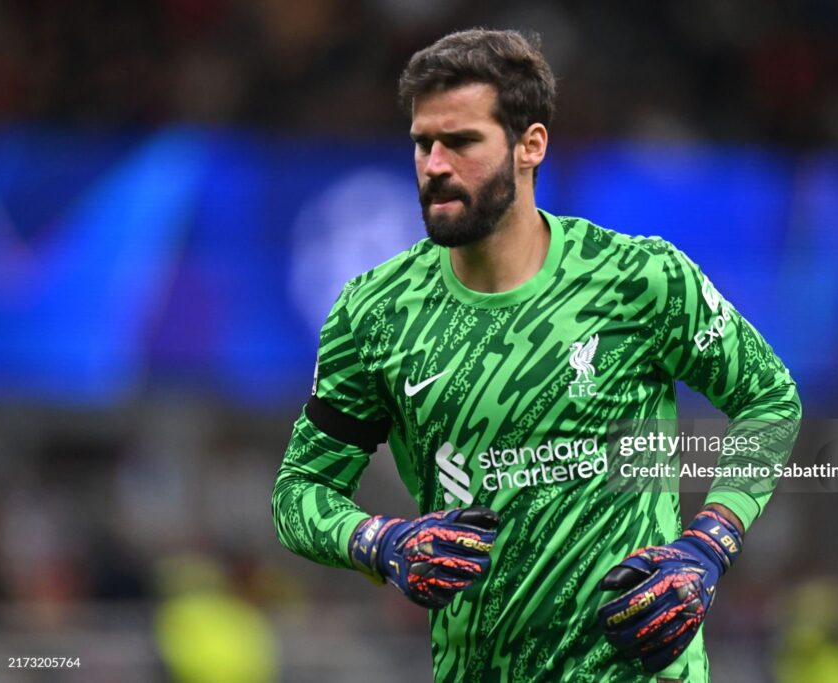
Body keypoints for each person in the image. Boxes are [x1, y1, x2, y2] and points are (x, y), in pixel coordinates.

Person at [272, 28, 802, 683]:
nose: (434, 164)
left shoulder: (638, 279)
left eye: (461, 141)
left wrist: (708, 544)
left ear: (530, 145)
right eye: (422, 143)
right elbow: (300, 493)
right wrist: (383, 542)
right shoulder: (375, 312)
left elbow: (770, 398)